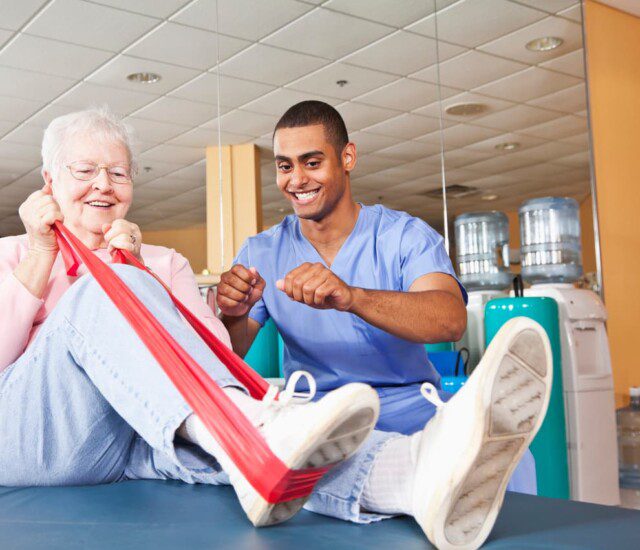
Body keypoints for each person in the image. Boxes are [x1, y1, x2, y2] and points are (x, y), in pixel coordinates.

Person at [0, 106, 552, 550]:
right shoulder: (12, 255)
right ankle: (261, 430)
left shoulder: (162, 262)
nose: (104, 185)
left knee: (240, 442)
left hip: (130, 440)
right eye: (84, 171)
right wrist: (43, 258)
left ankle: (408, 476)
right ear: (49, 181)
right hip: (32, 437)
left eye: (118, 173)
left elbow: (212, 366)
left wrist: (140, 272)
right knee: (108, 289)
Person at [217, 101, 536, 493]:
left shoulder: (405, 235)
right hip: (315, 416)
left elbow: (450, 319)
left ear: (347, 157)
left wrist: (351, 296)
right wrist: (232, 314)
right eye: (285, 166)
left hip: (407, 410)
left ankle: (477, 417)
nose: (296, 179)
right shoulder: (259, 252)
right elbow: (226, 356)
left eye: (312, 162)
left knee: (514, 465)